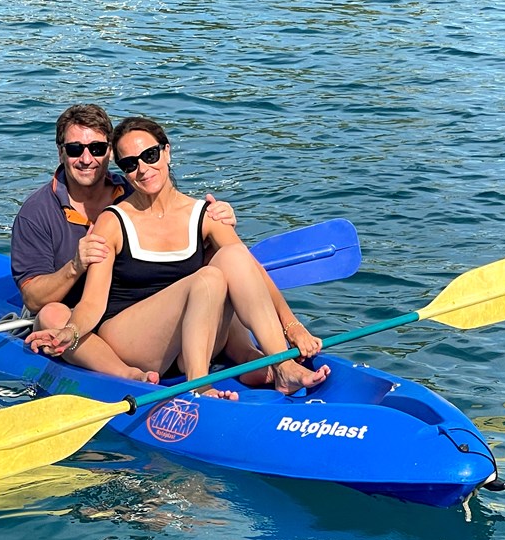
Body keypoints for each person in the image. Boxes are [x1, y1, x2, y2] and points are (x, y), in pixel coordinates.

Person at [25, 116, 329, 398]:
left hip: (191, 341)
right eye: (130, 164)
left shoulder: (205, 214)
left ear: (166, 151)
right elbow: (92, 303)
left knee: (235, 255)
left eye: (150, 155)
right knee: (209, 277)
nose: (142, 169)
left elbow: (253, 272)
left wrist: (293, 326)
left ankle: (281, 365)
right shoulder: (112, 221)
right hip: (132, 342)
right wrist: (71, 332)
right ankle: (200, 385)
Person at [10, 104, 238, 383]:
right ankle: (127, 375)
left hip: (143, 317)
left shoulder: (137, 187)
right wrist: (75, 266)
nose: (86, 159)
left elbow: (180, 237)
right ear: (61, 153)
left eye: (96, 149)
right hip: (80, 321)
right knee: (51, 314)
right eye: (75, 149)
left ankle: (255, 358)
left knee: (220, 278)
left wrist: (216, 222)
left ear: (109, 152)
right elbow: (33, 298)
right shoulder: (37, 212)